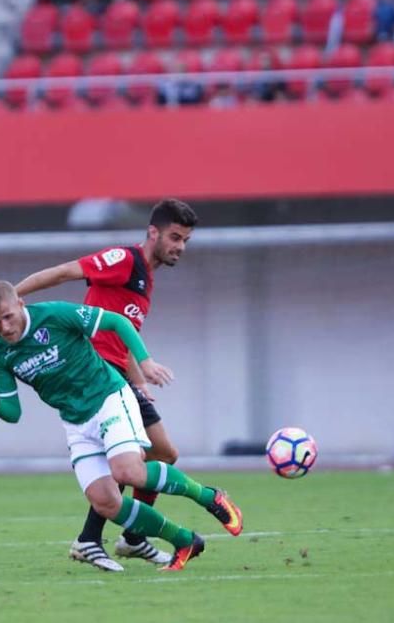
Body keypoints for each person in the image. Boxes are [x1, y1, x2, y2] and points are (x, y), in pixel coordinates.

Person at [15, 199, 241, 572]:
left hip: (118, 374)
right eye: (174, 237)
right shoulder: (123, 260)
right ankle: (124, 536)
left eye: (185, 240)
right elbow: (64, 271)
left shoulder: (146, 277)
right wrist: (15, 295)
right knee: (147, 458)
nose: (179, 247)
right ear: (153, 232)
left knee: (160, 454)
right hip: (99, 375)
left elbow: (122, 332)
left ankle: (115, 538)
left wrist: (139, 377)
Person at [0, 281, 243, 572]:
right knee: (105, 502)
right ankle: (184, 540)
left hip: (109, 398)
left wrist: (145, 362)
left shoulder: (55, 315)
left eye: (8, 317)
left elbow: (117, 321)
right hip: (76, 422)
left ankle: (209, 496)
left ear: (20, 304)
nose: (4, 327)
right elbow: (14, 413)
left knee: (128, 472)